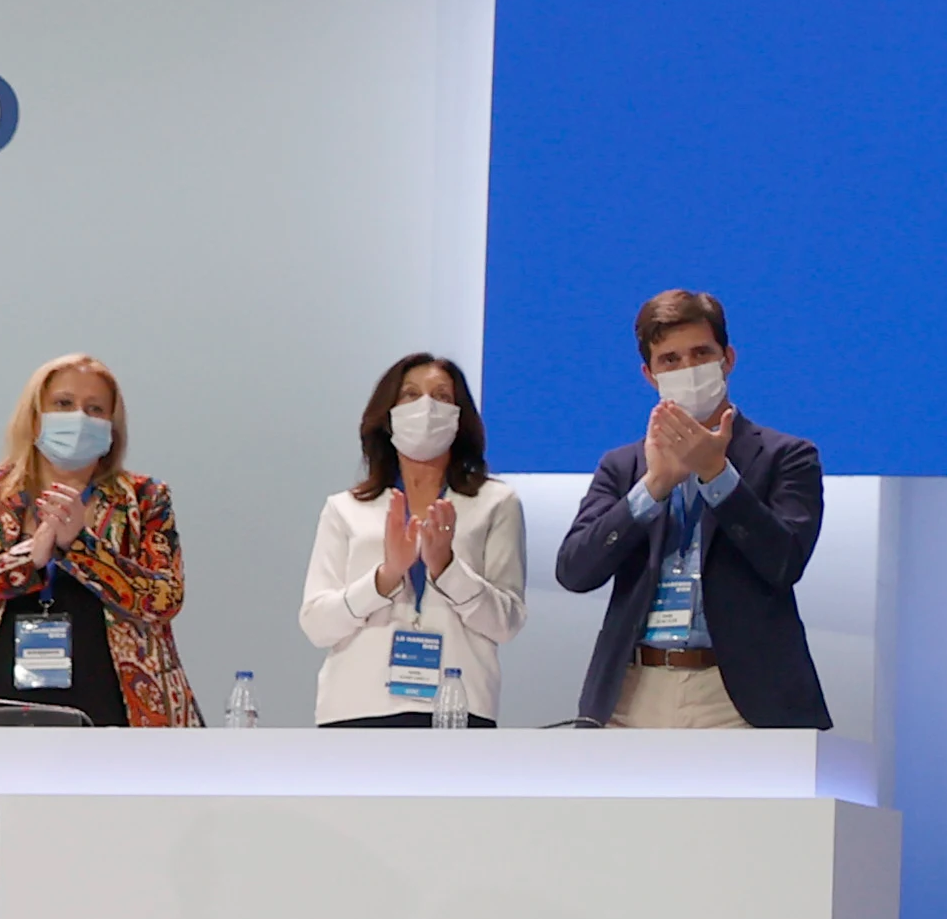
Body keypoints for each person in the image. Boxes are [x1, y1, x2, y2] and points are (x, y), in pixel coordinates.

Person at [555, 291, 831, 730]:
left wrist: (716, 475)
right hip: (633, 693)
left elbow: (784, 561)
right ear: (650, 374)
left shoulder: (788, 456)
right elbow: (574, 571)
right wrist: (654, 486)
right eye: (670, 360)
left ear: (728, 359)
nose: (687, 369)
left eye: (701, 353)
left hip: (736, 696)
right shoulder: (624, 466)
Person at [0, 352, 200, 728]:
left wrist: (80, 548)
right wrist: (27, 559)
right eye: (63, 403)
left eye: (95, 409)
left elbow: (165, 598)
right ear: (34, 416)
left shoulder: (145, 498)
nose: (79, 418)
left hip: (117, 711)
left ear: (112, 428)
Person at [301, 353, 528, 727]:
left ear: (460, 417)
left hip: (459, 705)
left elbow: (506, 623)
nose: (426, 406)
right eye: (410, 394)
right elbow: (316, 624)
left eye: (441, 396)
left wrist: (447, 569)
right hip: (356, 708)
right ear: (387, 416)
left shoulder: (496, 503)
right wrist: (386, 576)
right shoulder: (344, 508)